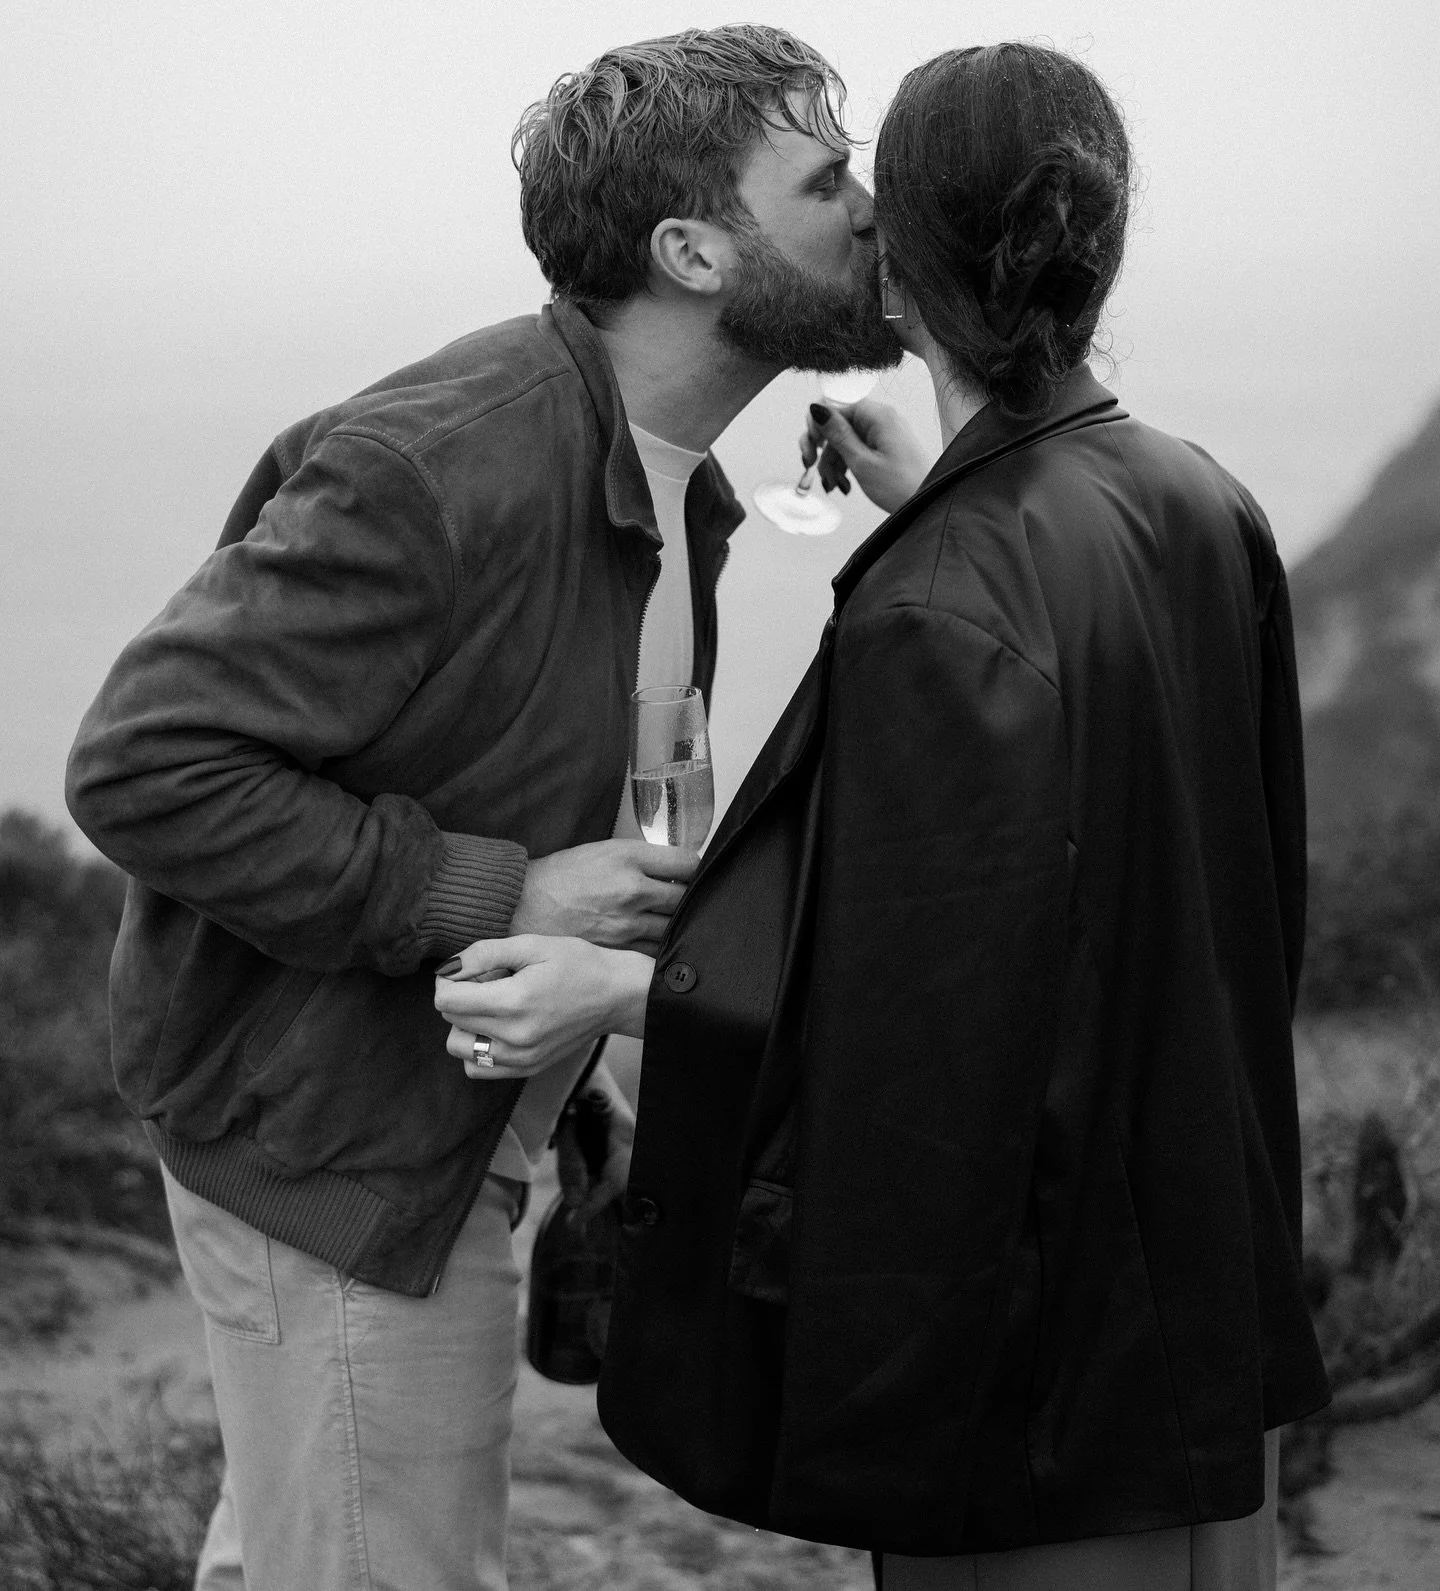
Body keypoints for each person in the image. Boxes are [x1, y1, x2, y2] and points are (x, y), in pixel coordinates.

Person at [435, 41, 1330, 1591]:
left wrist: (625, 986)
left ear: (904, 274)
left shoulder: (944, 602)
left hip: (1041, 1386)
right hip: (1207, 1303)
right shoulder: (1199, 501)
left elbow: (918, 1040)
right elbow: (1240, 902)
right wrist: (949, 508)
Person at [64, 24, 901, 1591]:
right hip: (341, 1168)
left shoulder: (670, 482)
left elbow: (599, 790)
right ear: (693, 248)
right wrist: (495, 897)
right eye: (828, 178)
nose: (871, 208)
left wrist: (587, 1062)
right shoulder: (439, 469)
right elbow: (140, 763)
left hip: (452, 1130)